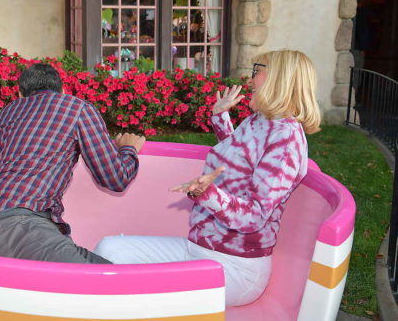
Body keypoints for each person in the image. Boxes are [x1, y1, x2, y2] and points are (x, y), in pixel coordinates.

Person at [94, 50, 321, 306]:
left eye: (257, 70)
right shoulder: (260, 121)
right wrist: (220, 116)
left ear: (280, 79)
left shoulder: (286, 140)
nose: (250, 78)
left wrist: (209, 194)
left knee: (138, 293)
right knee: (109, 250)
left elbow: (255, 216)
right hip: (198, 250)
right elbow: (238, 160)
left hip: (235, 269)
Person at [0, 63, 145, 264]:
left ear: (19, 94)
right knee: (115, 284)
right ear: (63, 91)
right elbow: (116, 179)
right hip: (29, 229)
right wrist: (128, 148)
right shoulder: (76, 108)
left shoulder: (3, 115)